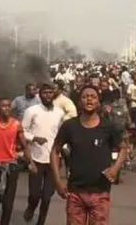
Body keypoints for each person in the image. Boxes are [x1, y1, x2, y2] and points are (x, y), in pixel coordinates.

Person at [50, 86, 126, 225]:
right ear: (79, 102)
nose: (89, 99)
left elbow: (123, 148)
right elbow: (55, 151)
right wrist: (57, 182)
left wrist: (115, 169)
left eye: (93, 96)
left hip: (100, 193)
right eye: (85, 97)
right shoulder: (69, 126)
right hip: (75, 193)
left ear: (98, 102)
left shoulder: (108, 127)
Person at [21, 83, 65, 225]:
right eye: (45, 93)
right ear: (40, 95)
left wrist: (64, 150)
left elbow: (61, 135)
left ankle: (41, 222)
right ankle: (31, 208)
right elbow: (22, 132)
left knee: (47, 197)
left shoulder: (59, 113)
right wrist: (34, 138)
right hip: (35, 159)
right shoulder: (31, 111)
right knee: (34, 194)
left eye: (50, 93)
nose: (48, 95)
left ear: (54, 94)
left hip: (52, 160)